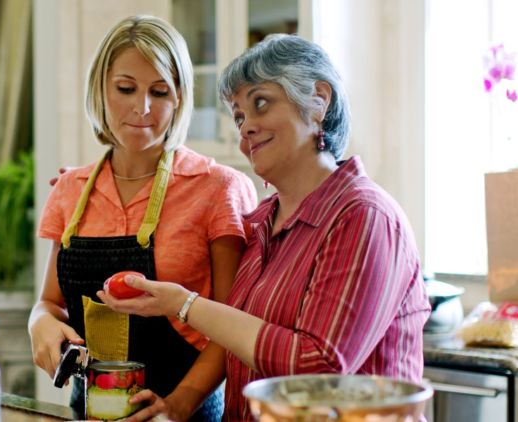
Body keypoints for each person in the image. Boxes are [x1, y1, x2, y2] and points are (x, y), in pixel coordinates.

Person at [99, 33, 431, 421]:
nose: (246, 128)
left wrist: (183, 304)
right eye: (239, 116)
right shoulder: (261, 225)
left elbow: (318, 369)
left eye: (261, 103)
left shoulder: (364, 216)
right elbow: (236, 344)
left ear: (319, 100)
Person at [28, 15, 257, 420]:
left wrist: (177, 405)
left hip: (186, 411)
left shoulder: (218, 188)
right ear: (100, 89)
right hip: (90, 409)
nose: (143, 107)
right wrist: (39, 323)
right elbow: (50, 303)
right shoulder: (70, 191)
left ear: (181, 98)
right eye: (125, 89)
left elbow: (232, 326)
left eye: (160, 91)